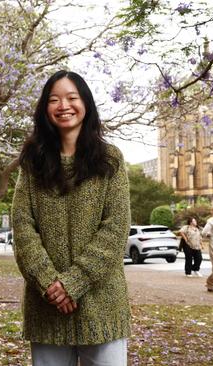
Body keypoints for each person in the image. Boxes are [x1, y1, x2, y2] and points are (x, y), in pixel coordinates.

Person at [12, 70, 131, 366]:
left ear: (86, 103)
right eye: (54, 100)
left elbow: (115, 229)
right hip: (46, 305)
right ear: (45, 109)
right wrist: (49, 283)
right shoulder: (33, 162)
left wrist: (72, 283)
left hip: (102, 303)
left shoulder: (110, 159)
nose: (63, 105)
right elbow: (22, 226)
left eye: (71, 98)